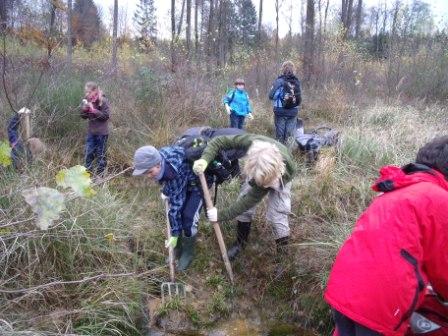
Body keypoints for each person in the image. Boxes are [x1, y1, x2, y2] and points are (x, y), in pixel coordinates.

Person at [324, 136, 448, 336]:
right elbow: (443, 269)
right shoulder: (439, 199)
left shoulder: (396, 189)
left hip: (344, 287)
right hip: (380, 303)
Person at [192, 133, 296, 262]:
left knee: (277, 214)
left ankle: (283, 257)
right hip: (259, 169)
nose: (265, 186)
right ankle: (240, 243)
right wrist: (205, 159)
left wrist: (221, 215)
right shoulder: (251, 142)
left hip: (281, 177)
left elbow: (249, 201)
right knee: (244, 198)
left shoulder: (287, 169)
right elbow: (219, 140)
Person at [132, 145, 203, 271]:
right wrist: (167, 190)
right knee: (179, 212)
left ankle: (188, 253)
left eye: (149, 172)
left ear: (158, 164)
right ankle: (178, 248)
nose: (148, 176)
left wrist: (174, 234)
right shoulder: (159, 156)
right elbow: (169, 183)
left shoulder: (174, 171)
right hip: (184, 180)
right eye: (145, 173)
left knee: (188, 219)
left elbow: (175, 207)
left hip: (199, 183)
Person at [81, 82, 110, 177]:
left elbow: (106, 116)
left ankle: (100, 178)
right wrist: (84, 110)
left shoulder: (104, 101)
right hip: (91, 133)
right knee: (88, 154)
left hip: (102, 133)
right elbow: (83, 116)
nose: (87, 94)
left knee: (101, 156)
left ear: (95, 91)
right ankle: (87, 178)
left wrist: (94, 111)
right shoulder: (86, 100)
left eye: (89, 92)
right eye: (86, 92)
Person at [269, 61, 302, 145]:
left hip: (280, 111)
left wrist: (280, 95)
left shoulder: (279, 81)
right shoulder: (296, 81)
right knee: (290, 135)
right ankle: (289, 154)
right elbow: (299, 97)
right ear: (293, 70)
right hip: (293, 111)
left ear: (283, 69)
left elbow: (271, 96)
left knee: (280, 135)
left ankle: (280, 154)